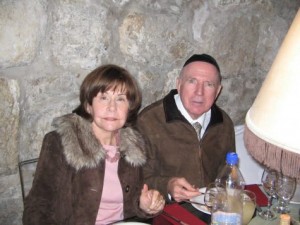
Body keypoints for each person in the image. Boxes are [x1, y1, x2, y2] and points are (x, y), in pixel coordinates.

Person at [23, 64, 165, 225]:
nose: (112, 108)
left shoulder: (134, 147)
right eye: (103, 98)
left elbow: (132, 205)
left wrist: (144, 205)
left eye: (120, 99)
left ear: (130, 108)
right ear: (89, 105)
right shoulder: (62, 143)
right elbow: (38, 205)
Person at [136, 54, 236, 203]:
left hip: (211, 210)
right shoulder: (149, 121)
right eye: (192, 81)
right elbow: (137, 178)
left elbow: (227, 171)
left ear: (218, 91)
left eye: (209, 84)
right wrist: (168, 186)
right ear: (179, 84)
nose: (199, 92)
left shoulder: (223, 123)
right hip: (165, 211)